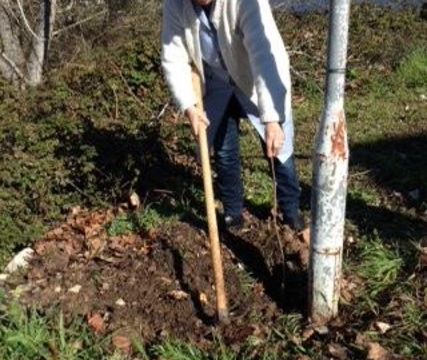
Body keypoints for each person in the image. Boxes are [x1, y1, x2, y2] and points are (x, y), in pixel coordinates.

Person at [161, 0, 302, 231]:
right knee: (225, 152)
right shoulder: (175, 5)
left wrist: (272, 119)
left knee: (278, 149)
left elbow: (264, 53)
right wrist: (189, 107)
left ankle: (290, 210)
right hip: (217, 85)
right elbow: (173, 57)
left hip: (255, 82)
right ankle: (233, 212)